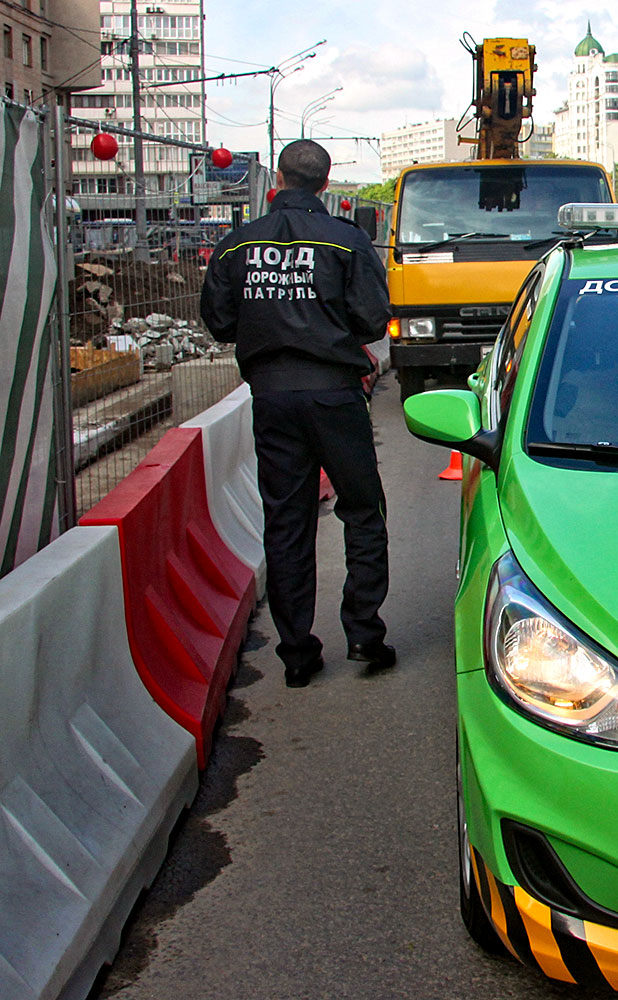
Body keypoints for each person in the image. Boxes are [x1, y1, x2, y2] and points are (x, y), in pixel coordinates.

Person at [200, 139, 395, 687]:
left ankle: (297, 655)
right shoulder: (348, 242)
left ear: (278, 180)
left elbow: (217, 320)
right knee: (362, 509)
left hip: (271, 399)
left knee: (286, 522)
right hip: (334, 394)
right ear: (325, 185)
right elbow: (373, 321)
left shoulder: (237, 245)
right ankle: (364, 634)